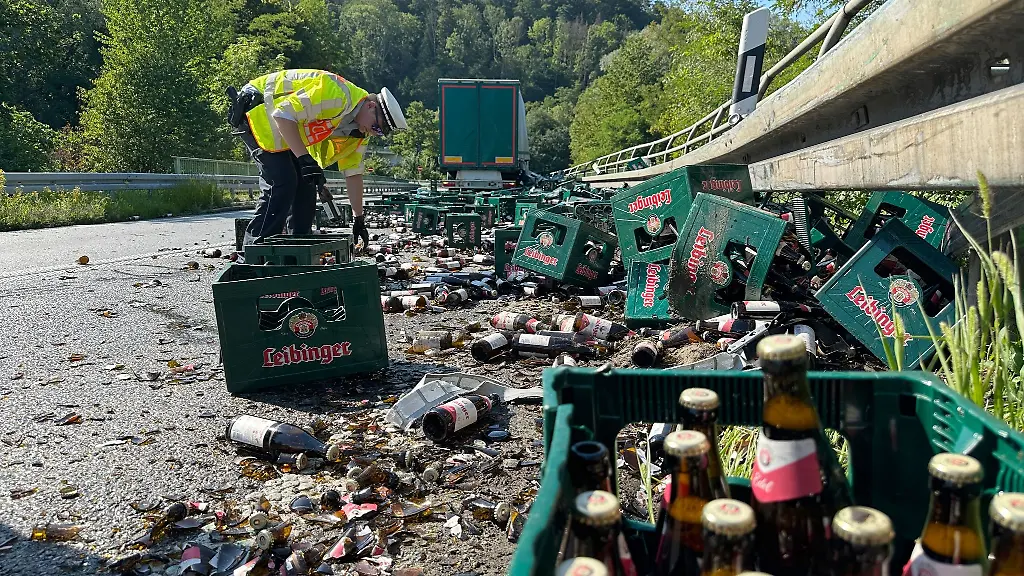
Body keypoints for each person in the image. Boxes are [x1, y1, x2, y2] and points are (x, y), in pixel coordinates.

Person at [226, 69, 407, 250]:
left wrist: (358, 218)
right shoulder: (339, 96)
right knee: (282, 181)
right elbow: (283, 115)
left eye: (379, 132)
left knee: (306, 187)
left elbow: (353, 174)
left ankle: (295, 251)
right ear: (370, 106)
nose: (373, 132)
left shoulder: (358, 132)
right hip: (258, 111)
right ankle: (253, 253)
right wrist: (305, 159)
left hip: (283, 130)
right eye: (376, 126)